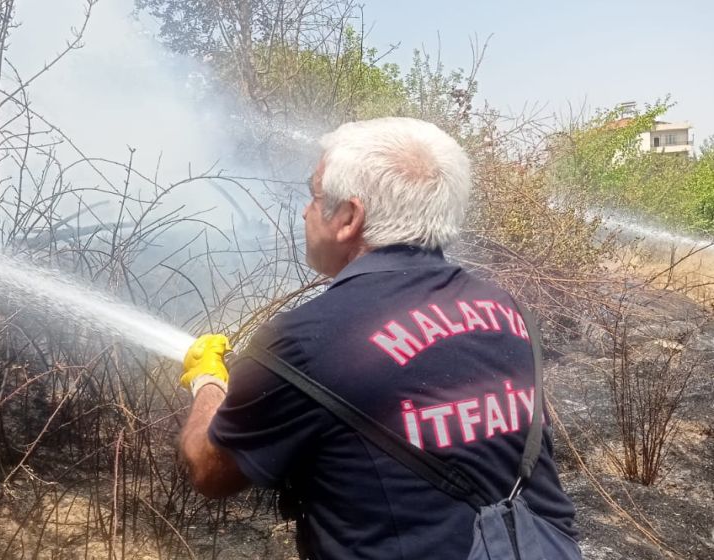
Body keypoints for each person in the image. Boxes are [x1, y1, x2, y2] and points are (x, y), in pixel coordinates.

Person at [178, 117, 579, 559]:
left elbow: (210, 470)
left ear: (349, 217)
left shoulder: (306, 339)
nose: (305, 211)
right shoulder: (506, 308)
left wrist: (208, 381)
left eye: (314, 196)